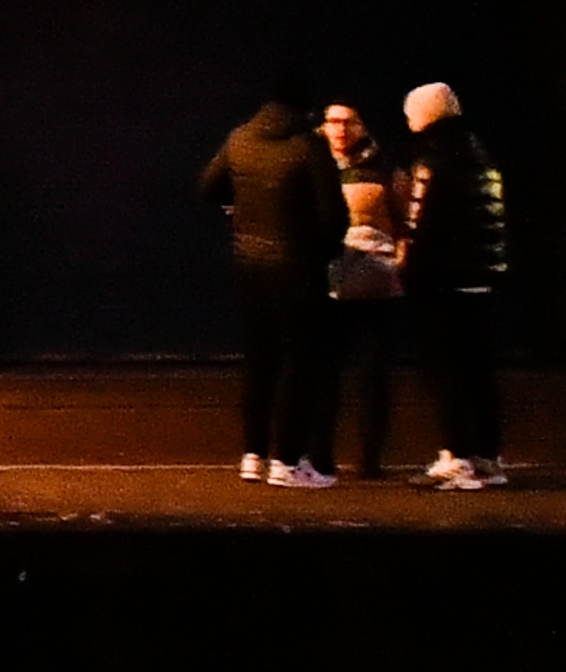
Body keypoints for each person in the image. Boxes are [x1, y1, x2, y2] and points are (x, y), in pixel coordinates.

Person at [198, 81, 339, 487]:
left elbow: (209, 186)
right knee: (298, 363)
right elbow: (333, 218)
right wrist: (323, 251)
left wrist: (240, 205)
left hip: (249, 265)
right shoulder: (308, 146)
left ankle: (253, 455)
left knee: (260, 364)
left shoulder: (240, 138)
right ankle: (288, 461)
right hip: (297, 268)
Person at [400, 83, 509, 492]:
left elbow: (421, 225)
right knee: (479, 373)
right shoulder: (479, 152)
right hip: (481, 279)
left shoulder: (433, 159)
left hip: (444, 283)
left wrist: (408, 272)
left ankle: (455, 457)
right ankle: (487, 457)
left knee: (446, 372)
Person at [317, 99, 403, 481]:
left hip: (374, 286)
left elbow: (405, 222)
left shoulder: (384, 168)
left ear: (362, 126)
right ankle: (320, 456)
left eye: (348, 121)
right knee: (324, 372)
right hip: (329, 285)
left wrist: (399, 262)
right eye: (333, 121)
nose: (340, 129)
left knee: (372, 373)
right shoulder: (313, 165)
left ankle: (370, 459)